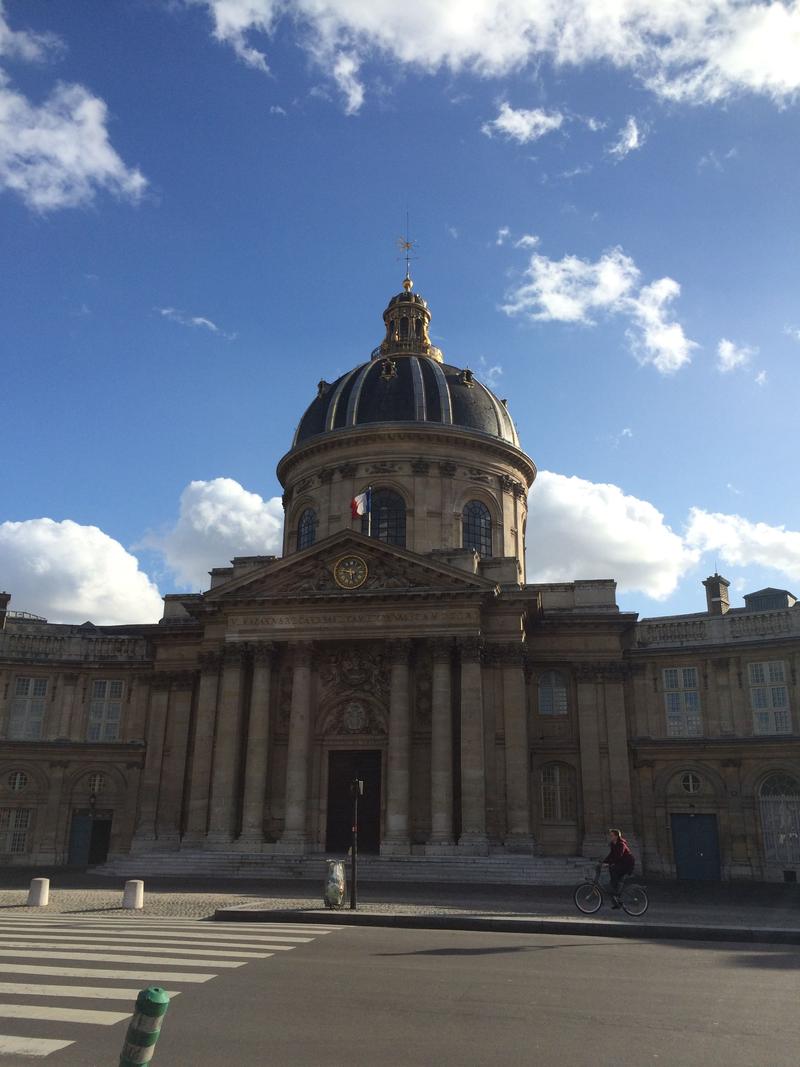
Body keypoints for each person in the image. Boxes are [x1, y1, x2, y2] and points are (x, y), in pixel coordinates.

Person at [601, 829, 635, 908]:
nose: (611, 837)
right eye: (610, 835)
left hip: (627, 864)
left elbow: (618, 856)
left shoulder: (621, 844)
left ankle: (617, 893)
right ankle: (617, 900)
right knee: (613, 879)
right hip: (620, 863)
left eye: (612, 835)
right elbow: (611, 855)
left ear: (616, 836)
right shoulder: (613, 844)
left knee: (613, 870)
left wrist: (609, 863)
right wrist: (603, 862)